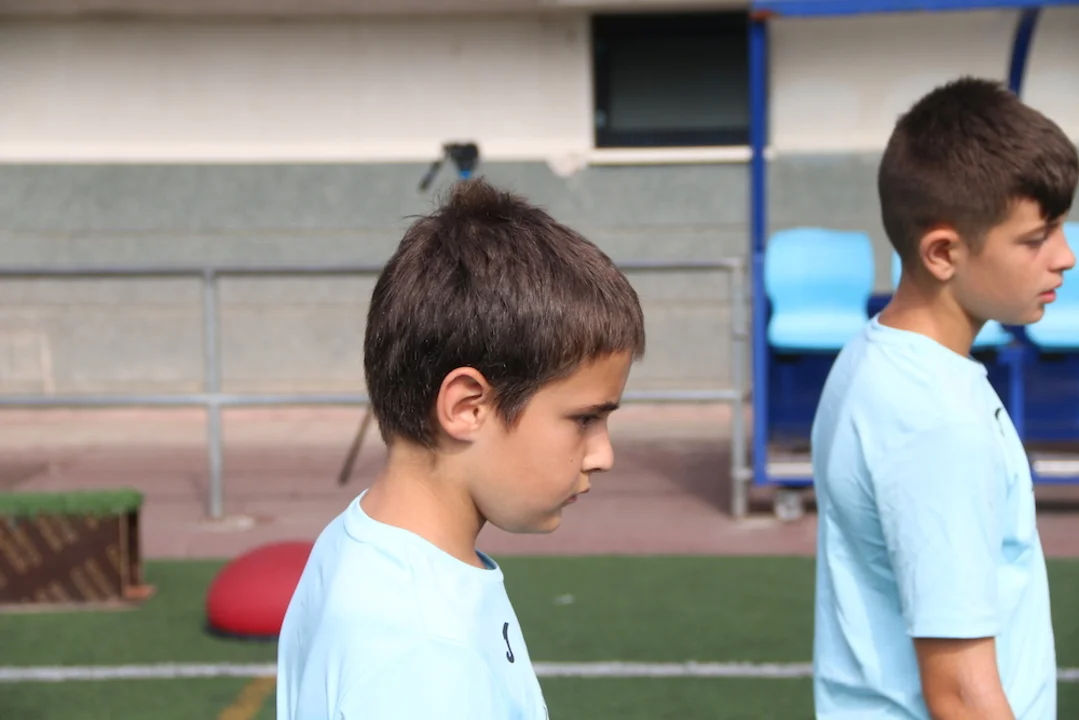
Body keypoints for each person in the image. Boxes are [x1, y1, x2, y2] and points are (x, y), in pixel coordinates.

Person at [276, 177, 646, 719]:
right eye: (584, 419)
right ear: (468, 407)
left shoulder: (360, 543)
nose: (602, 456)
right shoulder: (424, 653)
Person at [811, 76, 1077, 719]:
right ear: (942, 252)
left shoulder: (872, 356)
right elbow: (959, 693)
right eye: (1036, 237)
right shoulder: (935, 419)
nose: (1065, 257)